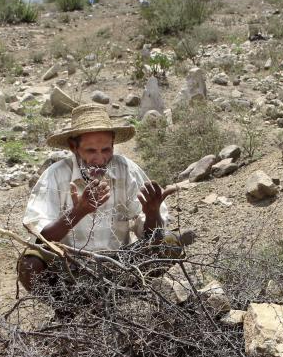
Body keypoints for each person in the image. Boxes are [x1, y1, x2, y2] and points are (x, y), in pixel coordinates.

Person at [17, 104, 178, 292]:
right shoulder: (55, 175)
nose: (100, 159)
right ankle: (67, 312)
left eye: (106, 150)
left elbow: (153, 236)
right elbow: (41, 238)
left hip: (122, 265)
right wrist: (78, 212)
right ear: (73, 147)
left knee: (169, 243)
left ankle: (127, 297)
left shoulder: (127, 170)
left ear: (113, 145)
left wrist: (152, 214)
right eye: (91, 151)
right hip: (70, 268)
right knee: (30, 263)